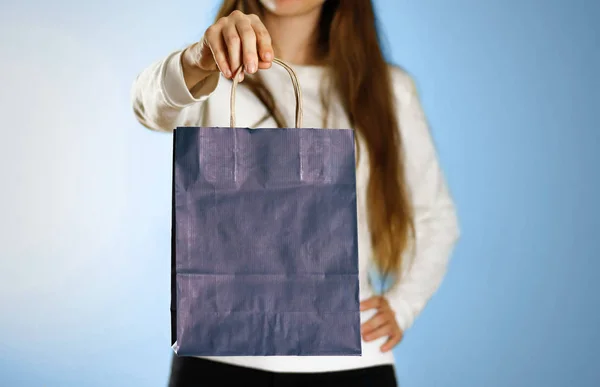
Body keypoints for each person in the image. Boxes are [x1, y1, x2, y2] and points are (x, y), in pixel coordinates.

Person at [131, 0, 460, 386]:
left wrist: (403, 305)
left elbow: (435, 218)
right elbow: (147, 106)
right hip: (214, 359)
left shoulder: (387, 89)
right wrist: (199, 57)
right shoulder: (211, 75)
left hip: (349, 365)